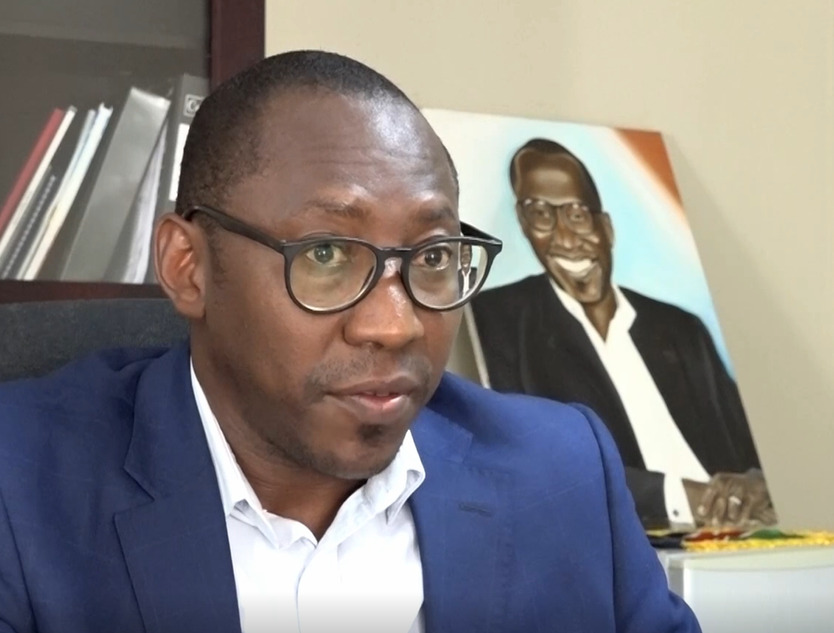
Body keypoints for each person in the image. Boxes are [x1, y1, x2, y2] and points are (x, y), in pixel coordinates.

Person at [0, 52, 701, 633]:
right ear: (189, 266)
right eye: (327, 254)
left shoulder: (562, 472)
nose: (395, 325)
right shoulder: (23, 489)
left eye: (432, 256)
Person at [470, 138, 772, 529]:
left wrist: (755, 483)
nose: (565, 238)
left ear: (607, 228)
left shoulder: (683, 329)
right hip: (620, 541)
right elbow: (538, 463)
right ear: (525, 227)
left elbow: (752, 457)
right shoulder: (494, 321)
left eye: (577, 214)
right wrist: (684, 497)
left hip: (739, 534)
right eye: (541, 214)